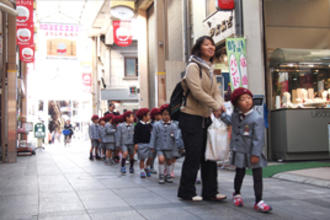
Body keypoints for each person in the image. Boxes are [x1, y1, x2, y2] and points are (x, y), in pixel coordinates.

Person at [177, 36, 226, 202]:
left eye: (212, 44)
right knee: (194, 155)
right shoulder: (193, 66)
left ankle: (211, 192)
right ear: (199, 48)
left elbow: (216, 93)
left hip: (205, 118)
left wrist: (219, 104)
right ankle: (186, 191)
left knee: (209, 156)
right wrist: (215, 106)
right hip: (190, 117)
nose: (211, 47)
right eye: (207, 45)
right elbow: (197, 92)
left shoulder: (209, 68)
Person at [220, 87, 272, 213]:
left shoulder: (256, 118)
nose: (247, 101)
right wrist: (221, 114)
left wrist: (255, 154)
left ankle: (258, 200)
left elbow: (259, 138)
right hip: (240, 151)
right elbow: (229, 121)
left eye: (249, 98)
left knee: (257, 176)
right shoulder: (236, 115)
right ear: (237, 103)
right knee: (239, 173)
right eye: (243, 99)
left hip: (253, 152)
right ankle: (237, 193)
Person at [150, 104, 179, 184]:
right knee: (161, 159)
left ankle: (168, 175)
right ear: (161, 115)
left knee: (169, 161)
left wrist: (179, 145)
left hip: (170, 147)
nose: (166, 116)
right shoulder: (156, 125)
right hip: (160, 146)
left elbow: (177, 136)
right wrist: (152, 146)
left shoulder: (174, 125)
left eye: (168, 114)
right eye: (164, 114)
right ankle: (161, 175)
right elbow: (153, 136)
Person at [134, 108, 153, 178]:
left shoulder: (150, 125)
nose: (150, 116)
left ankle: (146, 167)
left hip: (149, 144)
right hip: (141, 144)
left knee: (150, 157)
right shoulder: (138, 125)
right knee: (142, 158)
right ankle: (142, 171)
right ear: (144, 116)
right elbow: (135, 135)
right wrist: (135, 144)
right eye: (148, 115)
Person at [149, 107, 162, 174]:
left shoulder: (161, 123)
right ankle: (150, 167)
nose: (160, 116)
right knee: (152, 156)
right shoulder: (150, 124)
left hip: (160, 142)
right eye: (158, 115)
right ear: (155, 116)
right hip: (153, 142)